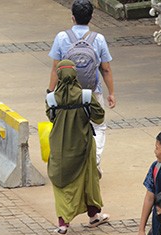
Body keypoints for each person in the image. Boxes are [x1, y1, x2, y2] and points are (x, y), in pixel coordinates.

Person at [48, 0, 116, 176]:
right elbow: (106, 69)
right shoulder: (98, 39)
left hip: (67, 92)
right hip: (92, 91)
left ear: (72, 17)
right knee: (98, 126)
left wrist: (50, 92)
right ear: (91, 17)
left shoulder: (62, 38)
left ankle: (73, 166)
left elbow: (56, 68)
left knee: (69, 127)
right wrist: (112, 93)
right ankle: (95, 160)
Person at [46, 59, 108, 235]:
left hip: (59, 149)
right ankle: (94, 215)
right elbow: (99, 117)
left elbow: (51, 118)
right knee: (89, 182)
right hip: (84, 146)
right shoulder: (86, 96)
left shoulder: (51, 99)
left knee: (62, 185)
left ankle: (63, 224)